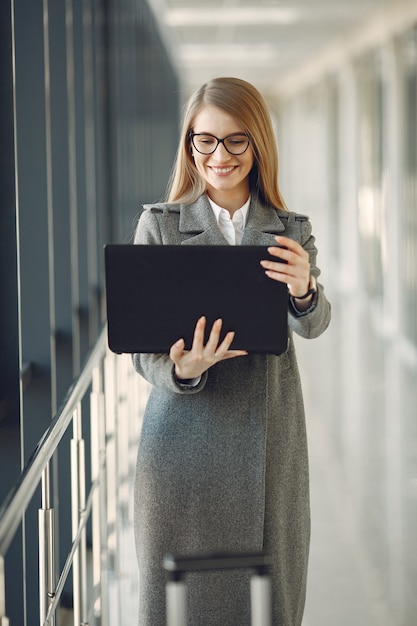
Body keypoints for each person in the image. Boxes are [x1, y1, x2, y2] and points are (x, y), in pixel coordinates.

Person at [132, 76, 331, 626]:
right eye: (205, 141)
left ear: (258, 143)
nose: (220, 156)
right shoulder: (161, 227)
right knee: (178, 603)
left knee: (270, 601)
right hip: (182, 450)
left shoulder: (291, 231)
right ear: (190, 146)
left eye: (236, 140)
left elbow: (314, 325)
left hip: (271, 443)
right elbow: (139, 346)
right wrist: (182, 368)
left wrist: (303, 288)